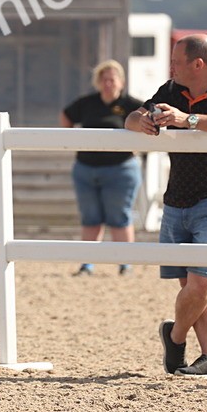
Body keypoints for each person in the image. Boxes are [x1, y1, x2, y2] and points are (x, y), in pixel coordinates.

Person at [125, 34, 207, 378]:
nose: (171, 66)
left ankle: (175, 338)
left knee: (200, 283)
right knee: (191, 286)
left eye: (176, 60)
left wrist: (186, 120)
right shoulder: (170, 89)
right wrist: (142, 122)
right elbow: (132, 116)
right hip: (176, 199)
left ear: (198, 64)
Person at [61, 60, 145, 276]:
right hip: (86, 168)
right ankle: (87, 264)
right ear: (98, 82)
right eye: (104, 79)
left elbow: (148, 123)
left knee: (119, 216)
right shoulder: (87, 103)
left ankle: (125, 264)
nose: (108, 84)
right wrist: (72, 140)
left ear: (121, 82)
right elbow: (66, 116)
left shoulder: (132, 105)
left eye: (112, 79)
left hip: (121, 169)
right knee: (90, 217)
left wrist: (139, 147)